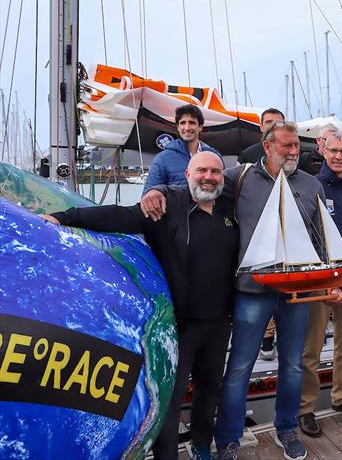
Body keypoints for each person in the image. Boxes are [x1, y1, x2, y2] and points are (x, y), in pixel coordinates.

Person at [141, 121, 338, 460]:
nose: (294, 152)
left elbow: (322, 238)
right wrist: (156, 191)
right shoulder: (239, 178)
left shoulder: (310, 185)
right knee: (239, 367)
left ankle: (286, 428)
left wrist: (330, 283)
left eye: (297, 147)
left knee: (292, 364)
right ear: (267, 146)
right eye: (287, 146)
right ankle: (228, 439)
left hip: (296, 292)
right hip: (251, 288)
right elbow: (200, 186)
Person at [44, 151, 237, 460]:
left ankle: (201, 446)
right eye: (201, 170)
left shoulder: (229, 211)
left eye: (215, 172)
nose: (209, 177)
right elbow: (119, 216)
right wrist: (67, 217)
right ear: (187, 175)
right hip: (179, 325)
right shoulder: (168, 207)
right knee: (170, 401)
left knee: (210, 389)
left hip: (218, 324)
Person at [298, 131, 342, 438]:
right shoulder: (312, 186)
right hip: (319, 283)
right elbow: (307, 236)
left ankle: (341, 397)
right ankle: (305, 407)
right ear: (324, 151)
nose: (340, 156)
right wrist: (326, 279)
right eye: (335, 151)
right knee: (311, 349)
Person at [239, 108, 286, 360]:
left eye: (277, 122)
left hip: (283, 235)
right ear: (260, 126)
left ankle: (278, 335)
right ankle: (265, 338)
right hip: (257, 233)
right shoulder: (248, 156)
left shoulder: (290, 156)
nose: (272, 125)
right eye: (268, 122)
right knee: (262, 287)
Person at [144, 104, 221, 193]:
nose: (187, 128)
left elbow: (222, 189)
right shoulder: (162, 159)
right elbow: (149, 197)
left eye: (192, 122)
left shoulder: (214, 157)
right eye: (183, 123)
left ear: (200, 127)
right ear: (178, 127)